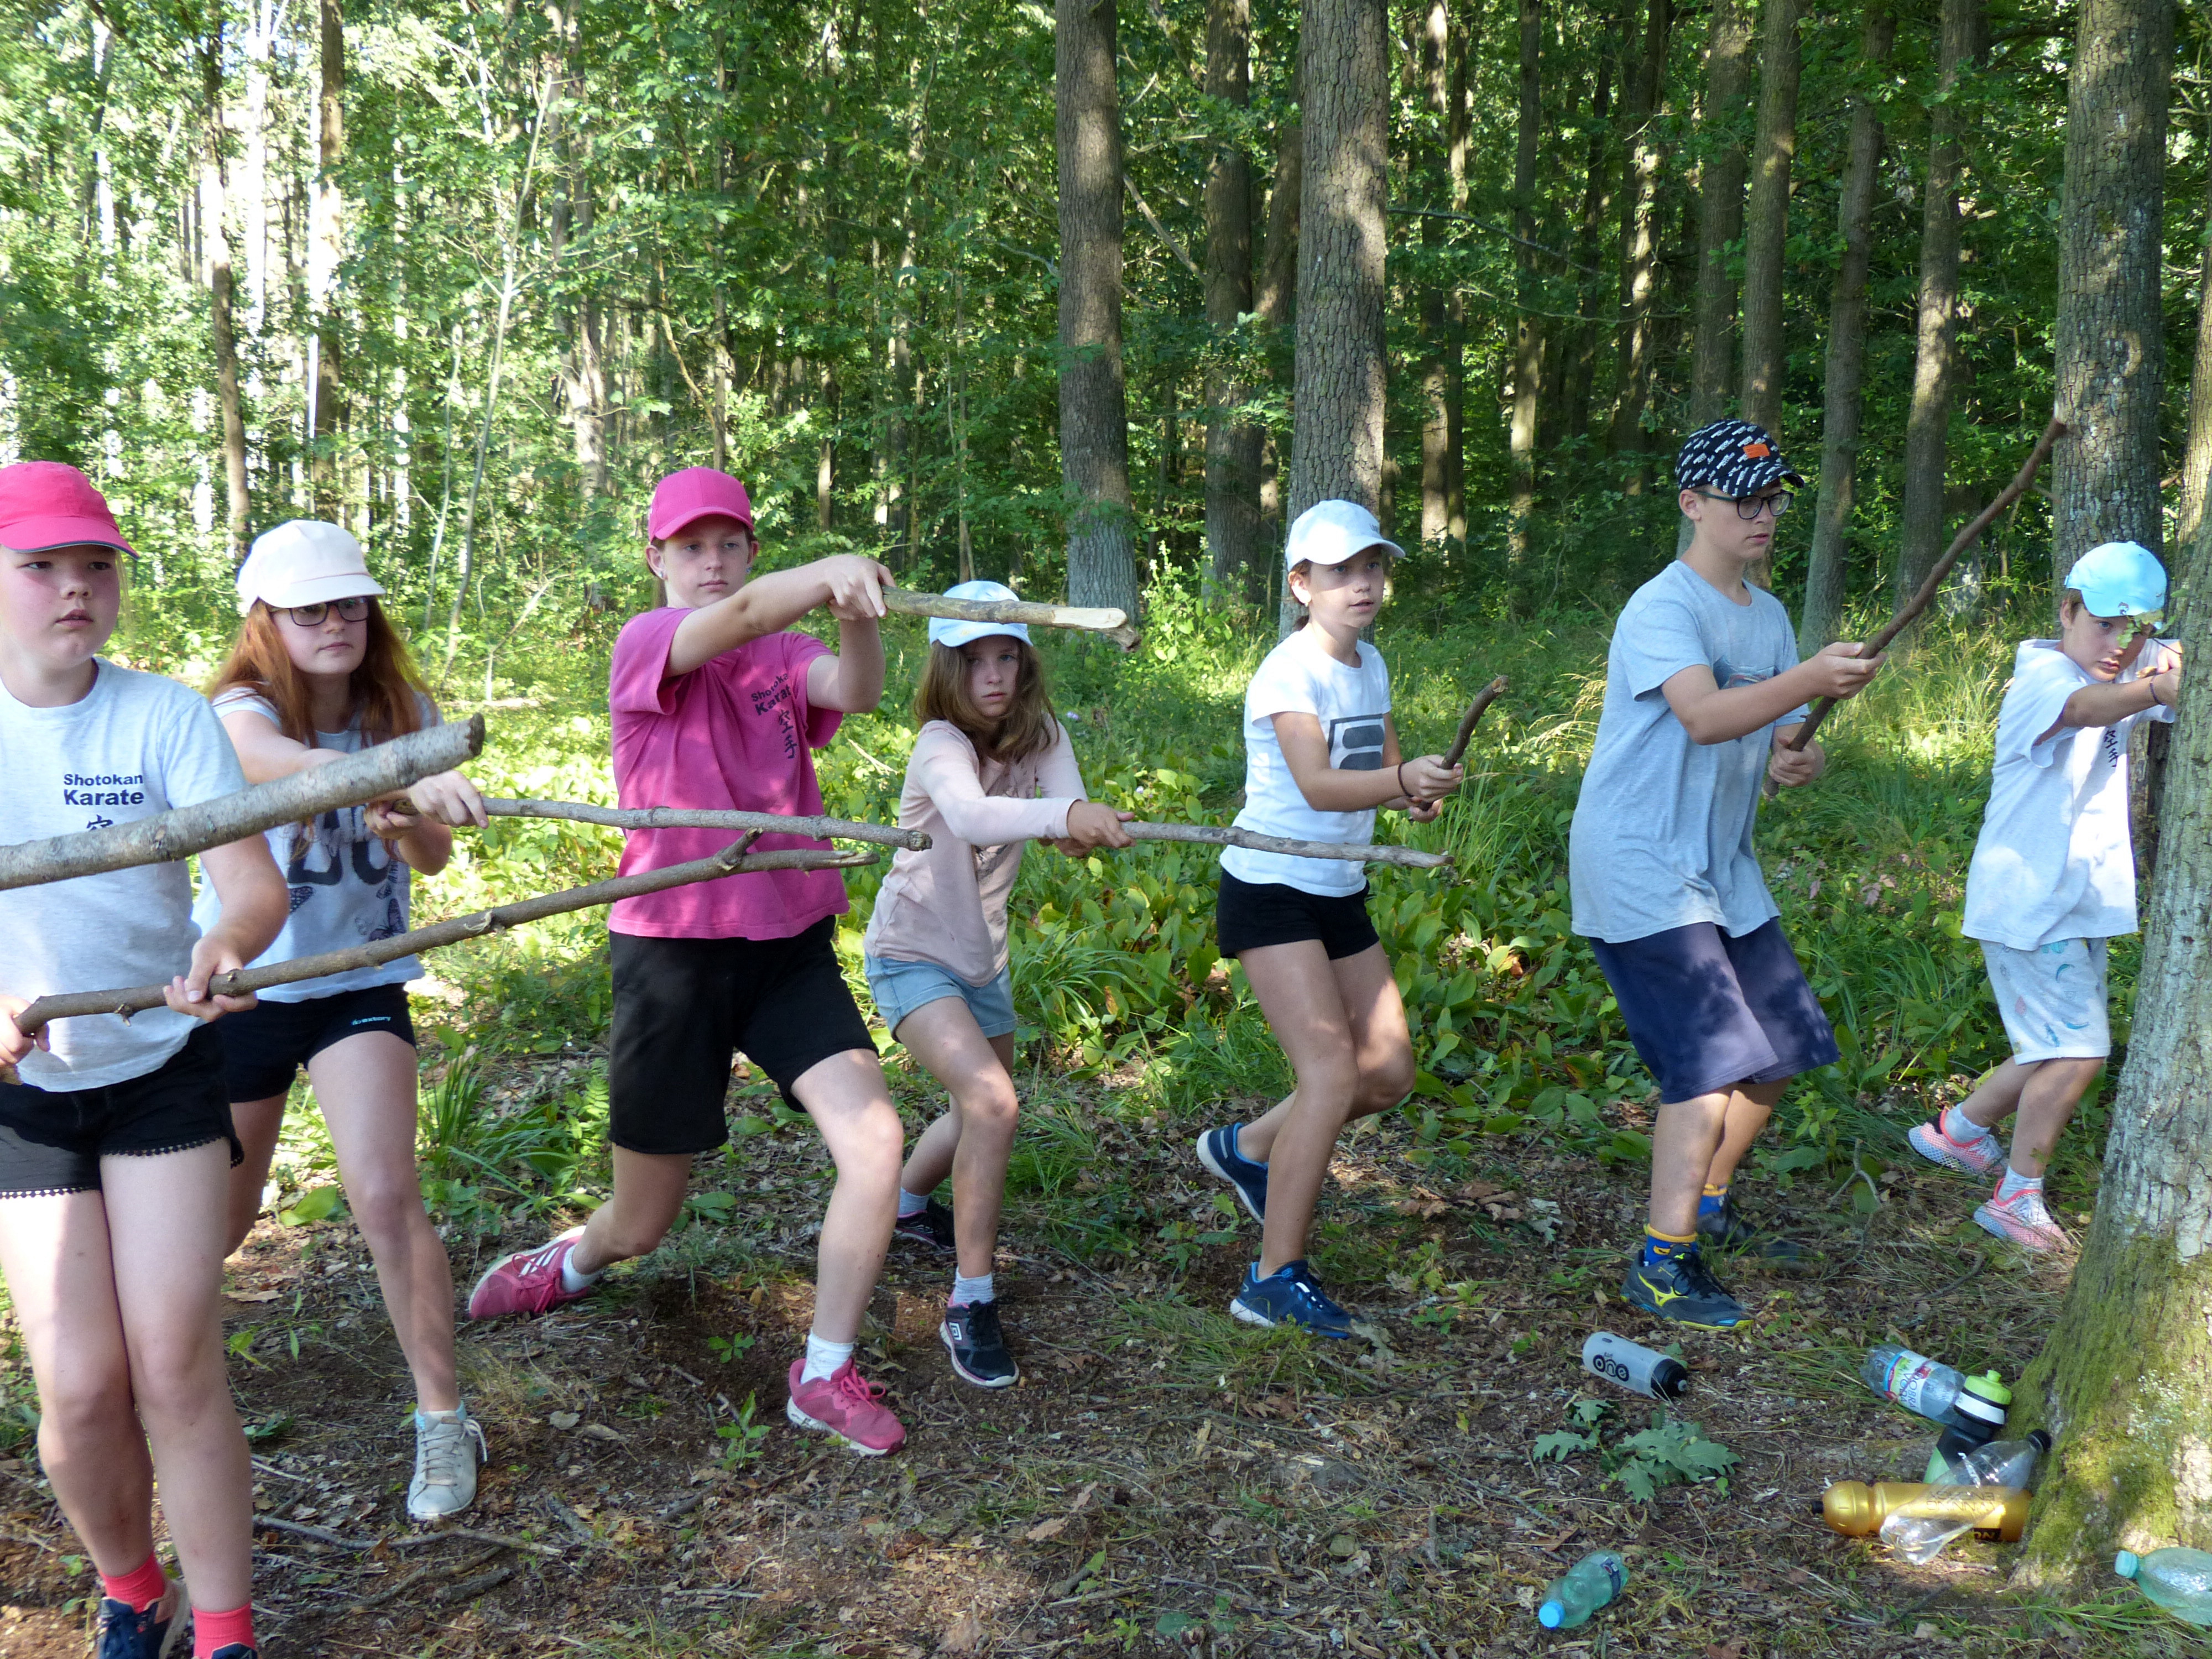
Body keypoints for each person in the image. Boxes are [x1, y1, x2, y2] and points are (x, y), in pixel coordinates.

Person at [466, 467, 914, 1456]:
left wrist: (854, 614)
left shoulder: (783, 652)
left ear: (750, 550)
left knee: (876, 1141)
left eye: (729, 545)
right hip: (672, 953)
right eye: (692, 547)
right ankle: (573, 1262)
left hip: (787, 945)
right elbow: (745, 614)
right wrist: (828, 569)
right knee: (642, 1224)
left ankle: (824, 1371)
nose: (713, 563)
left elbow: (857, 690)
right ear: (657, 559)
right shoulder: (647, 641)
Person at [0, 462, 288, 1659]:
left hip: (158, 1070)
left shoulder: (165, 716)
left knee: (172, 1362)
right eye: (40, 567)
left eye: (95, 566)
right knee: (77, 1386)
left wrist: (226, 946)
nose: (75, 588)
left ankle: (225, 1631)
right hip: (25, 1096)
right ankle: (132, 1593)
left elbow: (252, 888)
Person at [195, 520, 492, 1521]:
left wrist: (410, 823)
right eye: (311, 609)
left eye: (351, 604)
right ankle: (166, 1388)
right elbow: (276, 761)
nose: (336, 623)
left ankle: (443, 1418)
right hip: (246, 989)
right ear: (267, 621)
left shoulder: (402, 710)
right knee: (220, 1218)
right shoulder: (236, 712)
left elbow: (432, 858)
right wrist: (399, 774)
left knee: (384, 1192)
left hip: (360, 982)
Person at [1568, 420, 1882, 1330]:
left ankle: (1706, 1201)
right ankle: (1662, 1262)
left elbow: (1773, 732)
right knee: (1707, 1064)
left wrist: (1798, 753)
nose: (1764, 515)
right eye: (1744, 500)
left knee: (1784, 1046)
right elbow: (1705, 716)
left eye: (1773, 498)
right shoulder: (1662, 607)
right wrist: (1811, 679)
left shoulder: (1769, 615)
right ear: (1692, 504)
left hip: (1719, 863)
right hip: (1641, 859)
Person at [1192, 500, 1463, 1337]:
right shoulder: (1288, 671)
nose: (1363, 583)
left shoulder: (1369, 663)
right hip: (1271, 887)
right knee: (1331, 1074)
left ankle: (1245, 1150)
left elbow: (1380, 759)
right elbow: (1316, 784)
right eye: (1341, 571)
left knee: (1387, 1074)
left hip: (1338, 887)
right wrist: (1399, 779)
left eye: (1373, 566)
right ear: (1301, 586)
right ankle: (1272, 1280)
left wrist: (1412, 788)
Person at [863, 583, 1134, 1387]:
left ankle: (908, 1206)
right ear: (947, 667)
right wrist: (1064, 820)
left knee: (978, 1108)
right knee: (992, 1104)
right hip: (911, 950)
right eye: (975, 658)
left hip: (983, 957)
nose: (993, 675)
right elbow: (975, 816)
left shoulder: (1040, 733)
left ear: (1025, 662)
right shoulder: (938, 743)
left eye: (1007, 657)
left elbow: (1066, 804)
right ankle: (970, 1301)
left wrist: (1080, 826)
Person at [1909, 540, 2180, 1250]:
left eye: (2133, 630)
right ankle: (2015, 1198)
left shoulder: (2124, 663)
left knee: (2050, 1047)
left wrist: (2166, 659)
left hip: (2068, 902)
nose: (2117, 645)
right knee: (2080, 1050)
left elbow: (2160, 664)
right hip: (2028, 903)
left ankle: (1957, 1132)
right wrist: (2156, 688)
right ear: (2065, 611)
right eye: (2102, 625)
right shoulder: (2045, 675)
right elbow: (2088, 708)